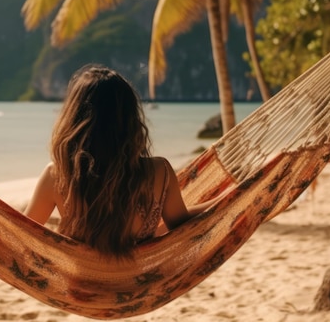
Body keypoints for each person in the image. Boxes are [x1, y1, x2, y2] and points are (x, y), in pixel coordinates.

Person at [24, 64, 216, 257]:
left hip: (81, 285)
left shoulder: (58, 176)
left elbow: (23, 234)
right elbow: (180, 223)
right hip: (138, 285)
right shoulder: (159, 171)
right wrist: (226, 197)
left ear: (74, 118)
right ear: (131, 119)